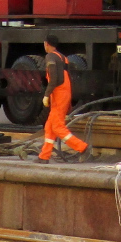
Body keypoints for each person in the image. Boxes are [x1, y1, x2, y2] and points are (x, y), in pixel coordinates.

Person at [38, 35, 89, 163]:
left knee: (57, 127)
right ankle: (44, 156)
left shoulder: (50, 57)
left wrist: (46, 94)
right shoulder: (62, 57)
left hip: (58, 94)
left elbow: (55, 79)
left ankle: (82, 147)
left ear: (46, 44)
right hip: (64, 93)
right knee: (49, 126)